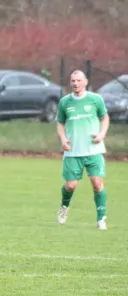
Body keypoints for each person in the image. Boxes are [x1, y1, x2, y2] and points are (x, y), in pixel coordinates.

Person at [56, 70, 109, 229]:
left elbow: (104, 118)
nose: (75, 84)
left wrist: (101, 134)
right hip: (73, 152)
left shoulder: (95, 99)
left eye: (79, 80)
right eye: (73, 81)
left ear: (85, 82)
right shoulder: (65, 102)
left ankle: (101, 219)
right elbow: (60, 122)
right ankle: (64, 206)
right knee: (70, 186)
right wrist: (63, 139)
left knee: (97, 183)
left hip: (94, 150)